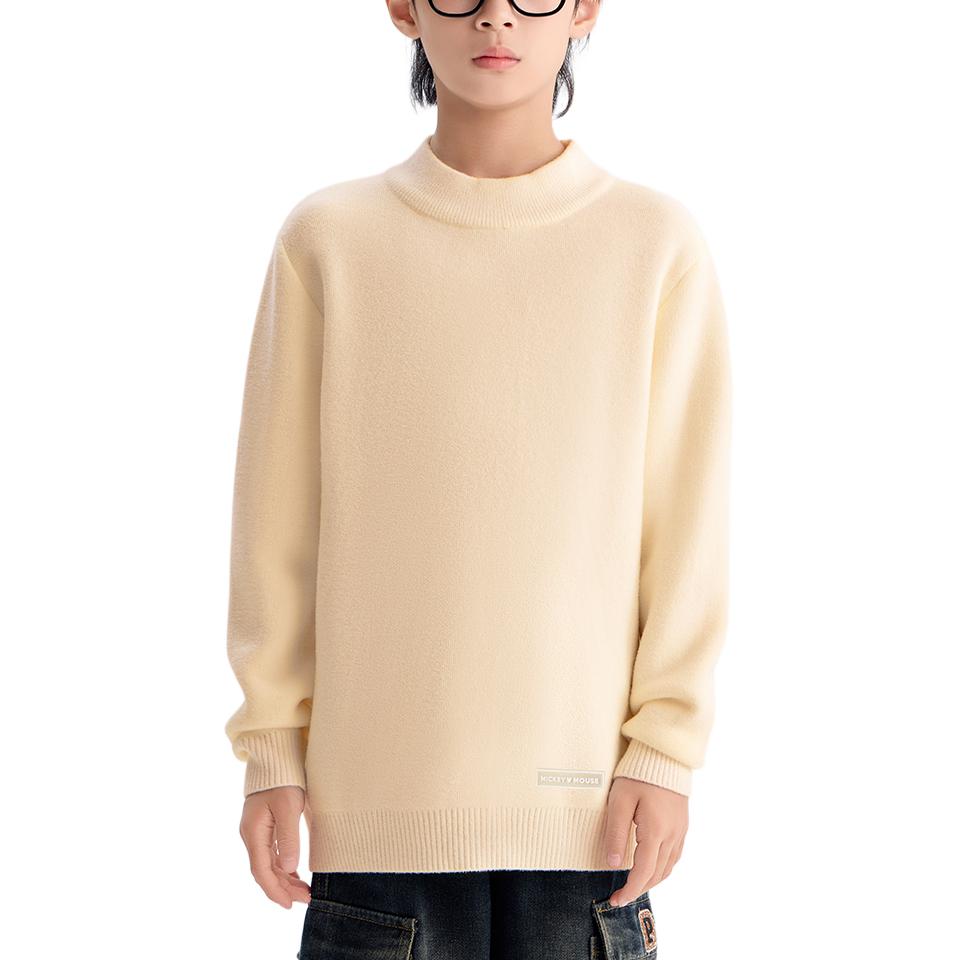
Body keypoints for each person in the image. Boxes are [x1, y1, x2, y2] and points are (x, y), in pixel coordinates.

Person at [223, 1, 732, 956]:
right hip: (376, 829)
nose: (497, 16)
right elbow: (275, 528)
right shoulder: (330, 239)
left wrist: (665, 750)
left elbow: (686, 530)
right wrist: (271, 750)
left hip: (589, 826)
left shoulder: (653, 244)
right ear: (404, 7)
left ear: (584, 8)